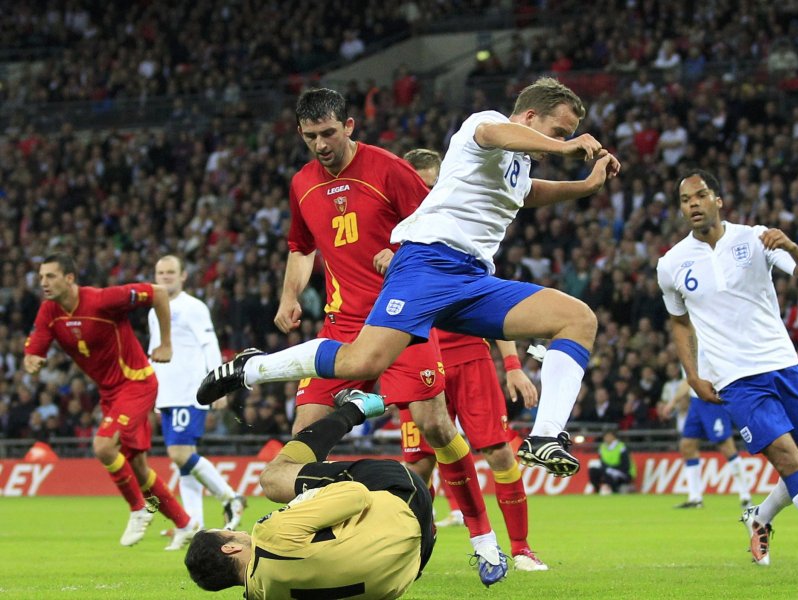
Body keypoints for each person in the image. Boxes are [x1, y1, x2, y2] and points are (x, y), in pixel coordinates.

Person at [199, 77, 621, 481]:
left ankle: (545, 436)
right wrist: (566, 146)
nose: (560, 140)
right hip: (426, 264)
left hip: (472, 279)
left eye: (567, 134)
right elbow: (496, 134)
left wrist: (584, 187)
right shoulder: (485, 124)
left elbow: (526, 193)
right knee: (363, 361)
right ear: (529, 117)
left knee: (579, 319)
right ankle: (250, 368)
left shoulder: (517, 164)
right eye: (558, 129)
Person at [248, 88, 504, 584]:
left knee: (436, 428)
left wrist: (401, 246)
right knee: (304, 441)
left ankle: (483, 539)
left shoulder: (389, 169)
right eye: (309, 137)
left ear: (349, 126)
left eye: (328, 133)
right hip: (342, 326)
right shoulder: (301, 183)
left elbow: (440, 226)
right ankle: (325, 537)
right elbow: (301, 248)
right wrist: (289, 296)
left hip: (402, 319)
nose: (320, 145)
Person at [656, 170, 798, 568]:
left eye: (700, 195)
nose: (693, 205)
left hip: (783, 363)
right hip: (735, 378)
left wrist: (790, 243)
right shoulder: (671, 264)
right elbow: (679, 321)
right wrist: (692, 374)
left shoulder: (754, 237)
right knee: (789, 461)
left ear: (718, 200)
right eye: (686, 200)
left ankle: (761, 517)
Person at [396, 148, 548, 571]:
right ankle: (411, 556)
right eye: (421, 185)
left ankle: (520, 548)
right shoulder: (398, 233)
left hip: (468, 354)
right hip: (418, 356)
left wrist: (514, 367)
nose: (427, 191)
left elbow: (491, 306)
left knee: (499, 452)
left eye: (433, 183)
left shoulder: (463, 230)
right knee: (419, 465)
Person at [185, 391, 434, 599]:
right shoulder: (268, 533)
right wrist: (305, 499)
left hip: (410, 566)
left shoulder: (263, 595)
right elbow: (355, 495)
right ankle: (354, 408)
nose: (239, 531)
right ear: (230, 548)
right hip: (404, 493)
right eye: (230, 532)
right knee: (273, 478)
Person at [24, 253, 194, 548]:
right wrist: (31, 360)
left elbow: (158, 293)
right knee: (138, 467)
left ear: (69, 278)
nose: (43, 283)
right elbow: (34, 348)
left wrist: (166, 343)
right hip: (110, 393)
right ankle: (185, 523)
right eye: (40, 277)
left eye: (50, 276)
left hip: (137, 383)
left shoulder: (102, 300)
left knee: (103, 445)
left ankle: (138, 509)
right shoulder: (49, 312)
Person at [149, 255, 245, 545]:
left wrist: (217, 385)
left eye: (170, 272)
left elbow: (210, 345)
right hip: (167, 393)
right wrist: (152, 389)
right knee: (183, 461)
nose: (165, 277)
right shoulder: (155, 309)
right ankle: (193, 523)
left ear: (183, 276)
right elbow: (155, 349)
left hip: (189, 390)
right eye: (160, 272)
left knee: (179, 454)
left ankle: (230, 497)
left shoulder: (193, 307)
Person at [659, 376, 752, 509]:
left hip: (712, 399)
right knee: (687, 445)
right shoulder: (687, 355)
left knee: (725, 445)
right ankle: (695, 498)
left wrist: (672, 402)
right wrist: (674, 401)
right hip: (696, 402)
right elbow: (688, 379)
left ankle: (745, 496)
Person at [587, 430, 635, 495]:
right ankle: (597, 490)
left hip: (623, 471)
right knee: (593, 471)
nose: (607, 438)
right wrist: (607, 469)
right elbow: (602, 461)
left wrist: (611, 469)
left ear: (614, 437)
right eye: (605, 437)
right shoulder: (602, 447)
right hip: (608, 469)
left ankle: (615, 491)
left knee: (608, 475)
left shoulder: (621, 447)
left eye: (609, 436)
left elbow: (626, 464)